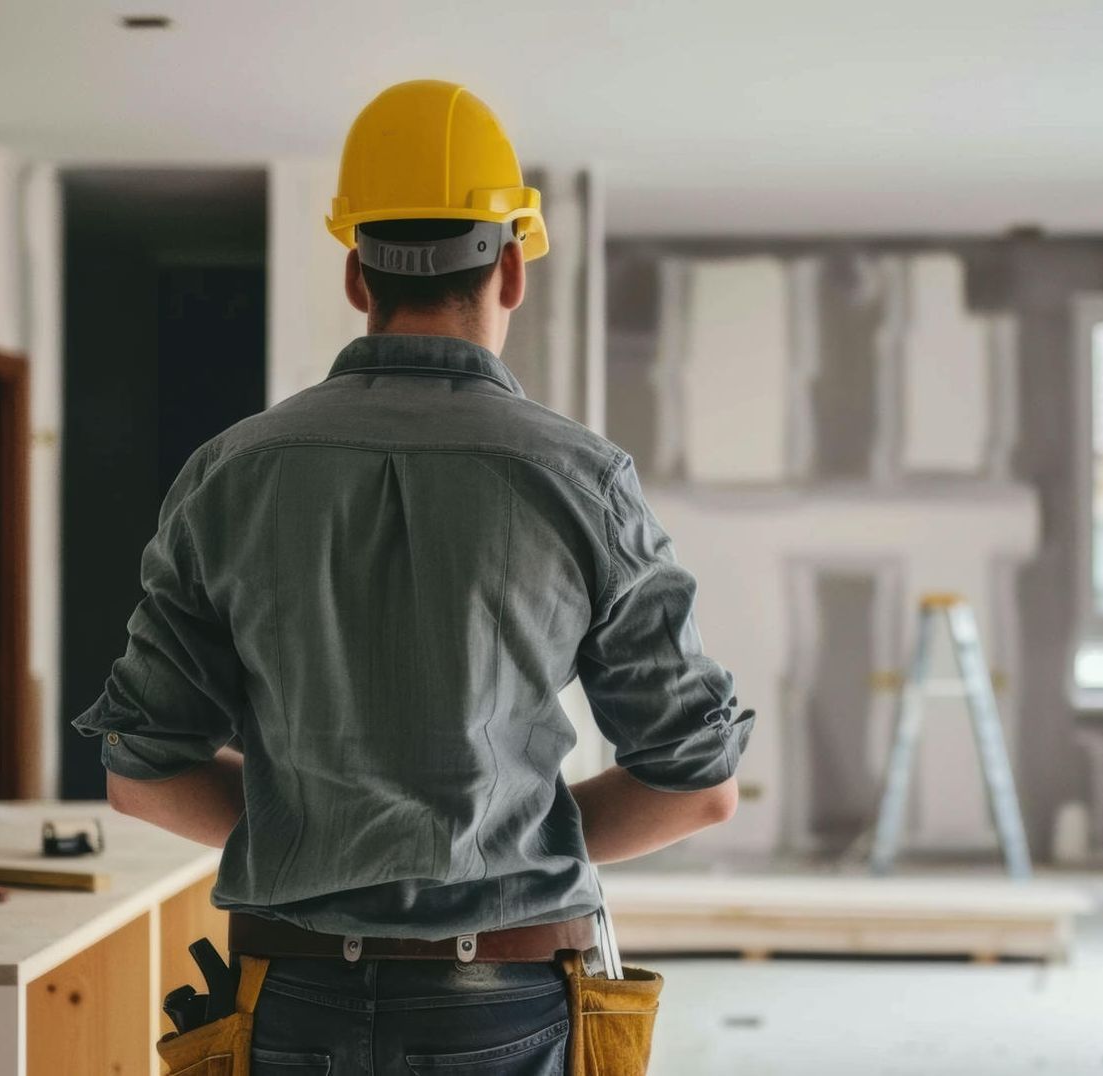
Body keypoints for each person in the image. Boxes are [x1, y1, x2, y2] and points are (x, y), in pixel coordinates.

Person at [73, 79, 752, 1074]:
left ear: (358, 272)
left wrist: (321, 833)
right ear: (512, 267)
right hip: (508, 1001)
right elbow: (698, 786)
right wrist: (501, 842)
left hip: (289, 998)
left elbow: (141, 772)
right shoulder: (582, 481)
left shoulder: (234, 472)